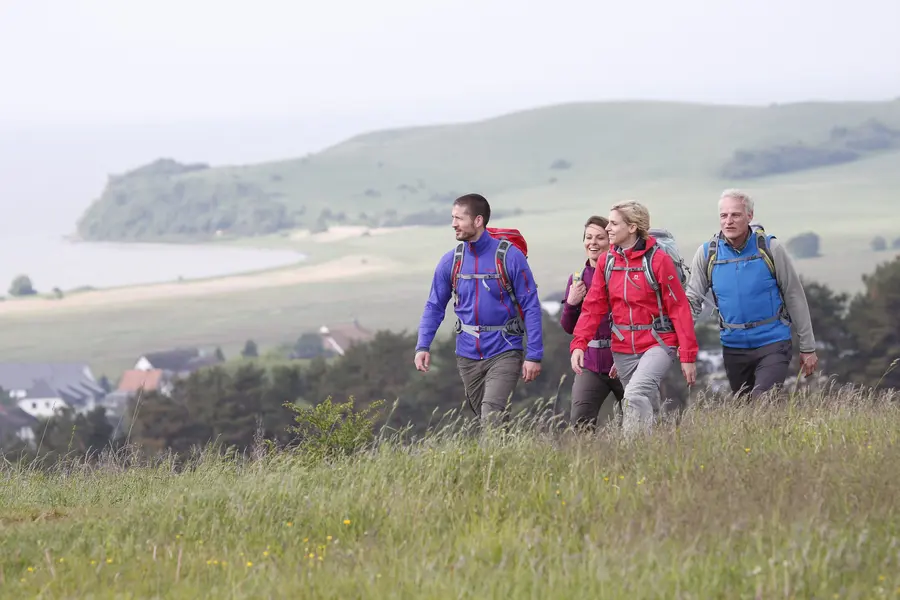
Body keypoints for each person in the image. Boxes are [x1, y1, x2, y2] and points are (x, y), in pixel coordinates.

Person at [570, 200, 698, 437]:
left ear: (632, 228)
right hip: (623, 347)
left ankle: (631, 453)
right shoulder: (608, 262)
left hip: (658, 343)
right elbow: (593, 307)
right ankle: (656, 447)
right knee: (645, 402)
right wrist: (579, 343)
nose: (607, 228)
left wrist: (688, 355)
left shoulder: (658, 260)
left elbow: (679, 308)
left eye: (613, 223)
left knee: (633, 395)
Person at [414, 193, 544, 426]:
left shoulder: (510, 257)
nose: (453, 224)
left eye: (459, 218)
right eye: (452, 218)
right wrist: (423, 345)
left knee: (491, 416)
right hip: (467, 356)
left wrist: (534, 354)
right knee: (490, 419)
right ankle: (509, 458)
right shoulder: (450, 261)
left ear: (478, 221)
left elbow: (531, 305)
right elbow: (434, 305)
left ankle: (489, 461)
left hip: (505, 349)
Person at [684, 189, 818, 400]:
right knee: (745, 412)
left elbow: (794, 296)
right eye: (723, 215)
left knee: (762, 400)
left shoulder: (770, 248)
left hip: (773, 342)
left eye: (735, 215)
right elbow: (691, 302)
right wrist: (683, 348)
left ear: (750, 216)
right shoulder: (707, 254)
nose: (728, 221)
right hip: (733, 346)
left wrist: (808, 347)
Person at [560, 215, 625, 430]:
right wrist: (571, 303)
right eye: (588, 237)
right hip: (590, 363)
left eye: (600, 238)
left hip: (624, 359)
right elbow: (569, 327)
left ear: (611, 241)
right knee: (580, 424)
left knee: (637, 422)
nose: (593, 243)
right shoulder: (577, 279)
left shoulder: (623, 273)